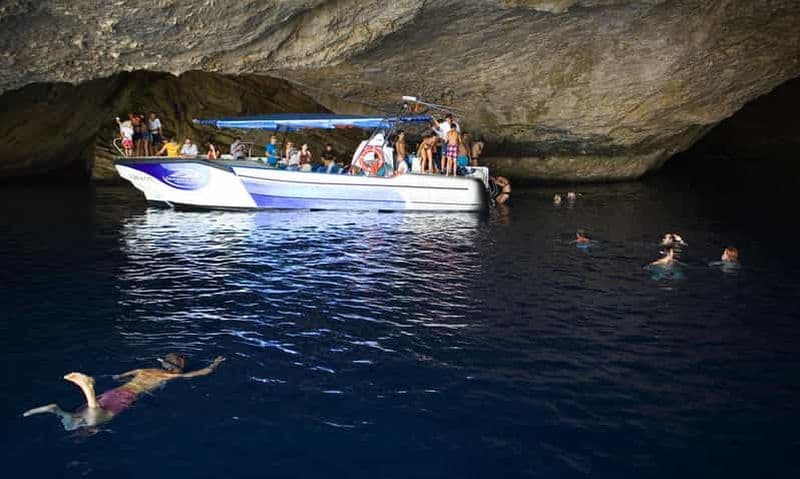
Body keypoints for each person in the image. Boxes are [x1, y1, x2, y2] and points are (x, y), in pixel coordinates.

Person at [22, 354, 225, 432]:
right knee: (97, 419)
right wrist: (214, 365)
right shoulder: (166, 377)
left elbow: (121, 376)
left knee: (76, 421)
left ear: (164, 363)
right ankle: (87, 389)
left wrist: (118, 378)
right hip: (126, 397)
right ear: (176, 369)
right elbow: (198, 374)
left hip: (114, 391)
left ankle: (57, 410)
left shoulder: (144, 369)